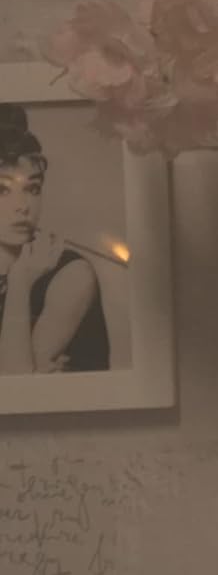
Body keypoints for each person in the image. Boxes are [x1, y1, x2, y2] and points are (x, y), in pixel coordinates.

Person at [0, 103, 110, 373]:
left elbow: (17, 384)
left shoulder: (73, 274)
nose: (22, 206)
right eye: (2, 190)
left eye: (32, 188)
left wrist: (20, 282)